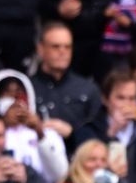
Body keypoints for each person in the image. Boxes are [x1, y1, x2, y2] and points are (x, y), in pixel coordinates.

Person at [30, 24, 102, 152]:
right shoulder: (27, 87)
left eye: (67, 47)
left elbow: (98, 137)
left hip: (77, 162)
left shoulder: (88, 89)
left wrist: (72, 133)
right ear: (40, 49)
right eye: (55, 46)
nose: (62, 52)